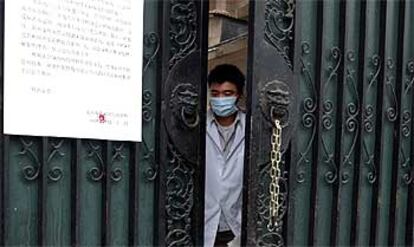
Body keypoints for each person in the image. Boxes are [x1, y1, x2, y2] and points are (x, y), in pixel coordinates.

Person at [205, 64, 245, 247]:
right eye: (215, 93)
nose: (220, 99)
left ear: (239, 95)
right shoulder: (195, 126)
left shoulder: (252, 129)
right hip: (202, 223)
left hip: (235, 225)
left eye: (227, 94)